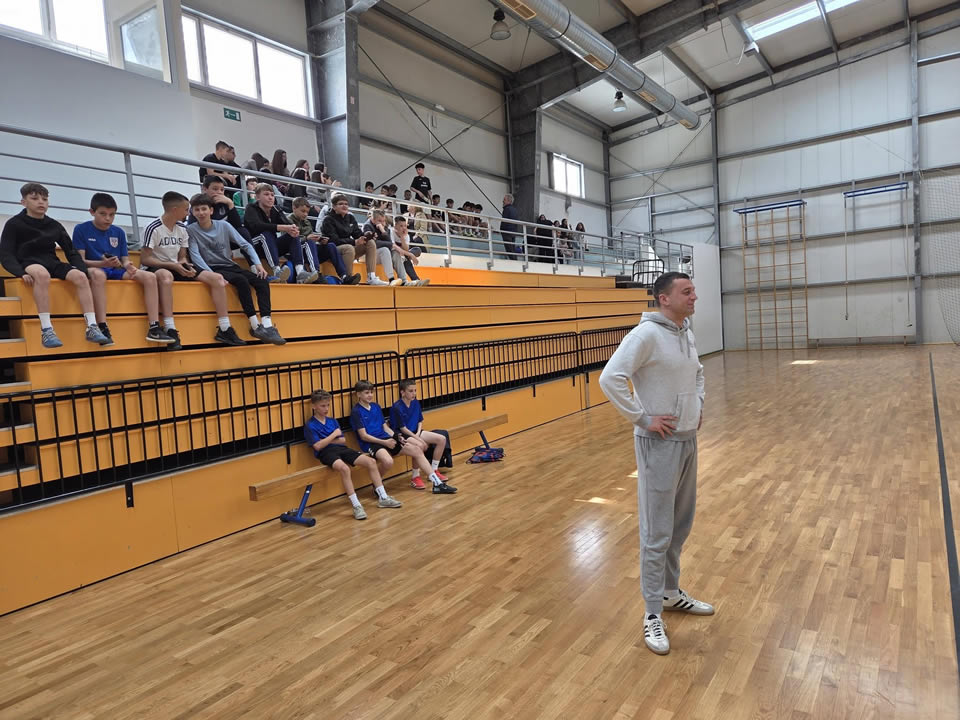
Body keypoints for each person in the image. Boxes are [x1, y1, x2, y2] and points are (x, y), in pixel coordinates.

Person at [598, 272, 713, 656]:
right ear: (664, 298)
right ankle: (652, 612)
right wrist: (642, 417)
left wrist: (697, 405)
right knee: (656, 531)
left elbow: (698, 373)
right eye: (687, 291)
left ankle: (669, 592)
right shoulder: (645, 335)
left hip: (687, 438)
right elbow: (610, 378)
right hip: (658, 444)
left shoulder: (686, 332)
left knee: (680, 524)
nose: (694, 296)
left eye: (693, 290)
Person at [0, 183, 111, 348]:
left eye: (44, 199)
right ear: (23, 202)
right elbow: (6, 254)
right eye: (35, 198)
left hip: (52, 262)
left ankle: (92, 326)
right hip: (29, 262)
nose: (41, 202)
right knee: (42, 274)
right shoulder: (14, 224)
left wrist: (82, 270)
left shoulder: (54, 225)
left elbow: (71, 251)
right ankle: (46, 330)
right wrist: (19, 272)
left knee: (81, 276)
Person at [73, 193, 173, 346]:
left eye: (112, 215)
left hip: (115, 269)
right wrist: (102, 263)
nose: (108, 218)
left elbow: (125, 259)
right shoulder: (81, 229)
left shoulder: (118, 232)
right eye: (103, 214)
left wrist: (128, 266)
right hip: (94, 268)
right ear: (92, 212)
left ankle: (154, 327)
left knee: (149, 277)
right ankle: (102, 326)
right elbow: (80, 261)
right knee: (98, 275)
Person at [186, 193, 286, 345]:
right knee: (241, 281)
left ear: (211, 210)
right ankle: (255, 325)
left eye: (204, 209)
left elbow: (245, 244)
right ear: (192, 212)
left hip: (230, 265)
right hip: (212, 268)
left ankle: (267, 325)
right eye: (197, 210)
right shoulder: (191, 230)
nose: (201, 212)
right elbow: (195, 256)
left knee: (261, 280)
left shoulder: (224, 226)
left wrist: (257, 264)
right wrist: (211, 274)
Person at [141, 191, 236, 347]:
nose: (188, 213)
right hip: (156, 267)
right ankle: (170, 328)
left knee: (217, 278)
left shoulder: (182, 228)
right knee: (166, 276)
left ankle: (225, 328)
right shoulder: (153, 228)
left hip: (175, 265)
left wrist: (184, 264)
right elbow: (145, 259)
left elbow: (182, 256)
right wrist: (173, 265)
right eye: (186, 210)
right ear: (175, 210)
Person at [304, 389, 402, 521]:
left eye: (328, 405)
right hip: (326, 453)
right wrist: (333, 435)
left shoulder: (332, 421)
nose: (326, 409)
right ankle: (356, 506)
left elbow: (342, 440)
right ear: (314, 406)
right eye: (322, 406)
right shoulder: (310, 425)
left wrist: (326, 440)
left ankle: (383, 497)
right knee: (345, 469)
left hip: (342, 449)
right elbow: (317, 446)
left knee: (371, 462)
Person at [351, 380, 457, 494]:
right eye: (367, 393)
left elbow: (385, 428)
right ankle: (377, 485)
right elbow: (364, 436)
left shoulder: (376, 406)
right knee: (388, 461)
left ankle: (437, 483)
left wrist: (396, 437)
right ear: (358, 394)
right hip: (372, 443)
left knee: (417, 450)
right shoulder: (356, 412)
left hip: (386, 439)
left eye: (371, 392)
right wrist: (385, 443)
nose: (370, 395)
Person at [243, 183, 317, 284]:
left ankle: (300, 272)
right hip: (253, 245)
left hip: (270, 246)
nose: (270, 197)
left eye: (272, 195)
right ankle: (277, 270)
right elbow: (256, 226)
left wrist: (293, 229)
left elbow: (287, 223)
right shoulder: (251, 208)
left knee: (292, 235)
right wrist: (282, 227)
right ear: (257, 197)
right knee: (266, 234)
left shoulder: (276, 209)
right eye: (266, 194)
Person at [389, 379, 451, 490]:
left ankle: (434, 470)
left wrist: (418, 433)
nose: (414, 393)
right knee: (419, 446)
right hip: (403, 434)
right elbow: (403, 429)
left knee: (441, 439)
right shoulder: (397, 407)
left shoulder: (415, 402)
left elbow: (419, 421)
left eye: (415, 390)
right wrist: (418, 438)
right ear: (402, 392)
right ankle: (415, 477)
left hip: (415, 432)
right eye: (410, 391)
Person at [288, 197, 360, 284]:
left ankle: (344, 276)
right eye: (303, 211)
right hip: (298, 251)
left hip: (310, 250)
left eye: (307, 212)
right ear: (294, 208)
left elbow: (311, 239)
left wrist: (320, 240)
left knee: (330, 245)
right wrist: (307, 238)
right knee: (309, 242)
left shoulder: (307, 222)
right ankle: (315, 272)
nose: (305, 214)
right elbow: (290, 241)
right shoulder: (289, 221)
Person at [320, 194, 378, 286]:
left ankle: (371, 277)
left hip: (347, 249)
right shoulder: (328, 220)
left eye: (346, 204)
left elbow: (357, 234)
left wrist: (367, 235)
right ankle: (347, 278)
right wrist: (354, 242)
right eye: (341, 204)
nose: (344, 206)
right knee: (349, 248)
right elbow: (334, 241)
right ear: (334, 207)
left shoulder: (350, 218)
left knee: (370, 243)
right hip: (332, 252)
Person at [190, 175, 252, 242]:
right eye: (215, 189)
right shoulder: (198, 204)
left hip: (224, 237)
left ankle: (250, 249)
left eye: (222, 190)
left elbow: (237, 225)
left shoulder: (225, 202)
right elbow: (192, 229)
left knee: (243, 231)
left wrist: (230, 204)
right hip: (206, 238)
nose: (219, 192)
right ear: (205, 189)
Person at [362, 209, 405, 286]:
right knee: (384, 250)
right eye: (379, 221)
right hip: (367, 255)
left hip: (379, 255)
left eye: (383, 220)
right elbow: (373, 243)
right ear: (373, 219)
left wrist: (383, 231)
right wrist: (390, 245)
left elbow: (389, 243)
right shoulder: (367, 226)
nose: (382, 223)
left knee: (395, 253)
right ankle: (391, 279)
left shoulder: (384, 227)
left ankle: (404, 281)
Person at [390, 216, 429, 286]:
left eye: (405, 226)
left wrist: (402, 237)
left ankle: (416, 280)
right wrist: (411, 255)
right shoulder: (391, 232)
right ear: (395, 226)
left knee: (417, 250)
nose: (404, 228)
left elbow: (406, 249)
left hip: (402, 254)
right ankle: (415, 280)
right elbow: (394, 247)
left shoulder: (406, 235)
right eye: (401, 226)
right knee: (405, 256)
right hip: (392, 254)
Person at [501, 193, 522, 259]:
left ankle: (513, 261)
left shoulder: (507, 209)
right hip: (513, 232)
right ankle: (514, 261)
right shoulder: (514, 210)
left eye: (504, 199)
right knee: (512, 249)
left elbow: (504, 221)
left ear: (509, 201)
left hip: (507, 232)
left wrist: (502, 230)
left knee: (509, 250)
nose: (503, 201)